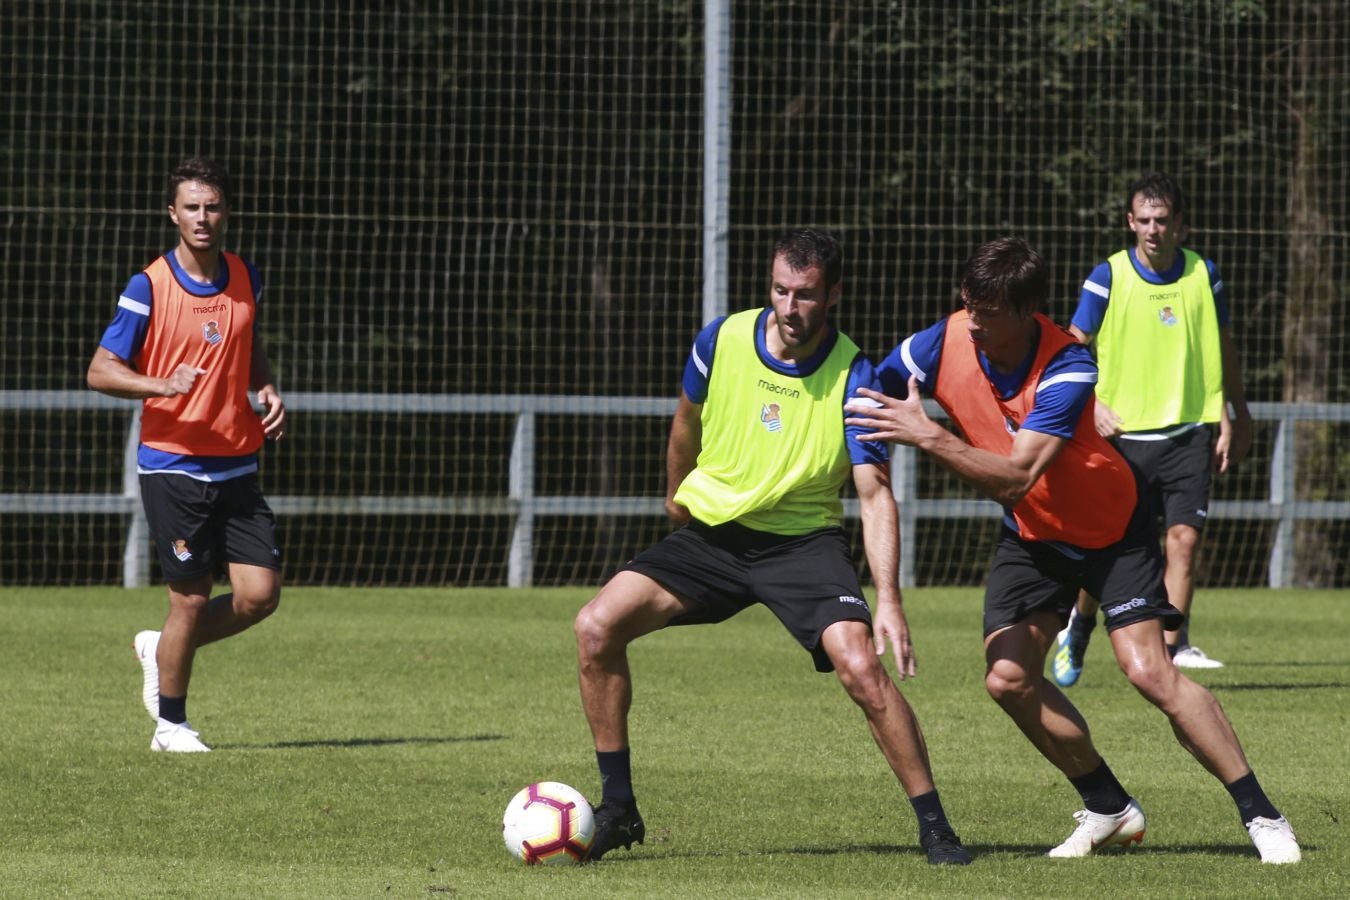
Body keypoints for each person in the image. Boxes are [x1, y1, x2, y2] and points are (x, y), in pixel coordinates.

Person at [844, 236, 1298, 863]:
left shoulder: (1068, 365)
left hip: (1114, 531)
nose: (972, 321)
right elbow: (867, 386)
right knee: (1007, 679)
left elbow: (1015, 476)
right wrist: (863, 445)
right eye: (968, 303)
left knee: (1149, 673)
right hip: (1034, 536)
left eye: (989, 311)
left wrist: (927, 436)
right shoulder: (943, 339)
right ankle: (1109, 806)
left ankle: (1262, 814)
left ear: (1028, 310)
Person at [573, 229, 970, 865]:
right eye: (780, 290)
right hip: (714, 537)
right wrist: (675, 495)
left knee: (863, 669)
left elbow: (873, 494)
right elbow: (686, 421)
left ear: (833, 295)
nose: (789, 307)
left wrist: (888, 597)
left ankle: (936, 827)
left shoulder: (853, 373)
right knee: (595, 627)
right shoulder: (721, 338)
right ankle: (618, 809)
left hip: (802, 545)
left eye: (806, 295)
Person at [88, 157, 286, 753]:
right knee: (191, 598)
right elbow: (100, 371)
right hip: (174, 464)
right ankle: (171, 726)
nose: (203, 217)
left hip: (238, 461)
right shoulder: (148, 285)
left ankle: (161, 647)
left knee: (259, 596)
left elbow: (246, 345)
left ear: (226, 212)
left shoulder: (245, 275)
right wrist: (161, 385)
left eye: (213, 206)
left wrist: (266, 386)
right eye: (192, 207)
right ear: (172, 214)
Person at [1051, 172, 1253, 687]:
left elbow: (1223, 346)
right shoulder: (1108, 276)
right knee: (1107, 547)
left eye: (1163, 220)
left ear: (1181, 225)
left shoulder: (1203, 275)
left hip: (1189, 433)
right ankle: (1079, 625)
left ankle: (1172, 649)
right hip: (1122, 437)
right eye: (1144, 220)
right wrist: (1091, 403)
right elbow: (1071, 346)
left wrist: (1234, 412)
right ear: (1130, 222)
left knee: (1183, 541)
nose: (1153, 230)